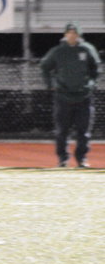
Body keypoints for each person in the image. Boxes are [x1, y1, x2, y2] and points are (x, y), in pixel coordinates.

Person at [40, 21, 100, 168]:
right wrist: (50, 84)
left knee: (83, 131)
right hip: (63, 97)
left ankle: (81, 159)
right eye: (69, 33)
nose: (72, 35)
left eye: (74, 33)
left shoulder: (87, 49)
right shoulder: (58, 51)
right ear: (65, 34)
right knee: (62, 131)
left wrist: (91, 83)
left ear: (79, 35)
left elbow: (96, 69)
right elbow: (44, 66)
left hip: (83, 97)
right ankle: (63, 159)